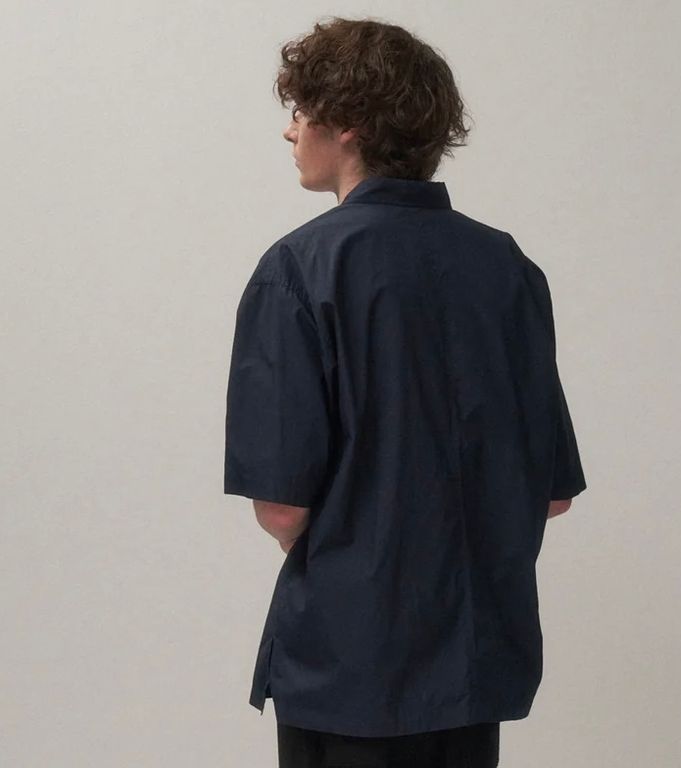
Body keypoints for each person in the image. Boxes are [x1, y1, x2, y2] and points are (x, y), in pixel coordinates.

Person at [223, 16, 587, 768]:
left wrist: (359, 554)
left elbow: (282, 504)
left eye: (301, 111)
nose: (290, 131)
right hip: (475, 662)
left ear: (348, 124)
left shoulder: (299, 269)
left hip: (349, 663)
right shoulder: (508, 269)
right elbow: (551, 493)